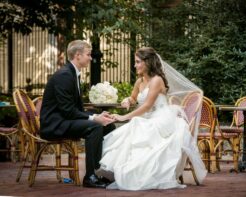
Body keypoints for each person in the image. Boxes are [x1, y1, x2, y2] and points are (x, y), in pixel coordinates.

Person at [97, 47, 207, 190]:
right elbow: (134, 97)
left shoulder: (157, 80)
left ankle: (140, 174)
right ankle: (122, 172)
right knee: (135, 127)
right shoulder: (139, 81)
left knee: (136, 124)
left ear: (147, 62)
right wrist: (128, 100)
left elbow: (147, 106)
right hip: (147, 118)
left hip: (161, 119)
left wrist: (124, 116)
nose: (135, 65)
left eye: (137, 62)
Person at [40, 40, 115, 188]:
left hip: (64, 119)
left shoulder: (73, 73)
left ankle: (103, 171)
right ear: (78, 55)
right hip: (55, 124)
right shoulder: (65, 75)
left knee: (107, 125)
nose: (90, 58)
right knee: (95, 127)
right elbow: (67, 110)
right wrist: (94, 118)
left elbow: (74, 109)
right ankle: (90, 177)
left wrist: (99, 116)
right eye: (88, 54)